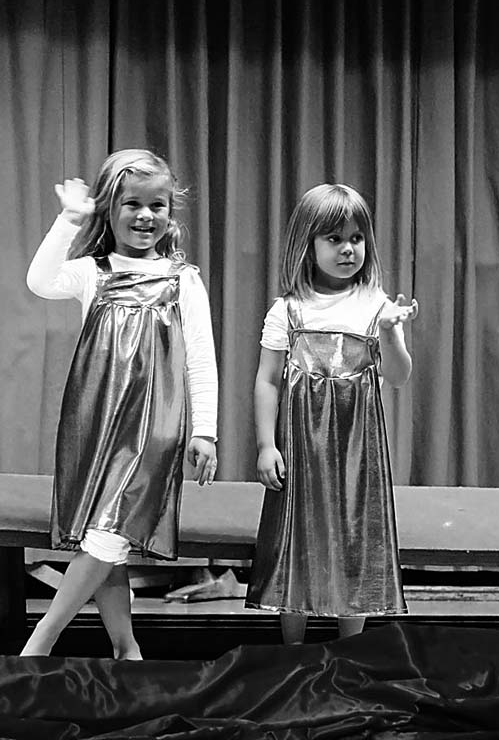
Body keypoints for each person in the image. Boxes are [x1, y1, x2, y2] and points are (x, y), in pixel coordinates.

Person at [23, 149, 218, 658]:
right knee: (105, 534)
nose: (145, 215)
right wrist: (69, 220)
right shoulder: (93, 273)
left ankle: (40, 641)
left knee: (109, 530)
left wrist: (205, 430)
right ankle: (127, 649)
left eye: (157, 205)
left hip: (155, 426)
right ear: (109, 208)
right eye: (133, 204)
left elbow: (201, 357)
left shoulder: (182, 279)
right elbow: (40, 282)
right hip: (97, 421)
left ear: (170, 211)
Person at [244, 183, 415, 643]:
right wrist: (266, 445)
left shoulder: (377, 306)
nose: (348, 249)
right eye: (334, 239)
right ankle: (293, 649)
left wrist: (389, 333)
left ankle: (350, 649)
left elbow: (398, 376)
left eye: (357, 238)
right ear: (308, 243)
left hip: (356, 453)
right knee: (298, 536)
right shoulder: (288, 310)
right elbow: (267, 380)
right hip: (302, 450)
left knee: (354, 536)